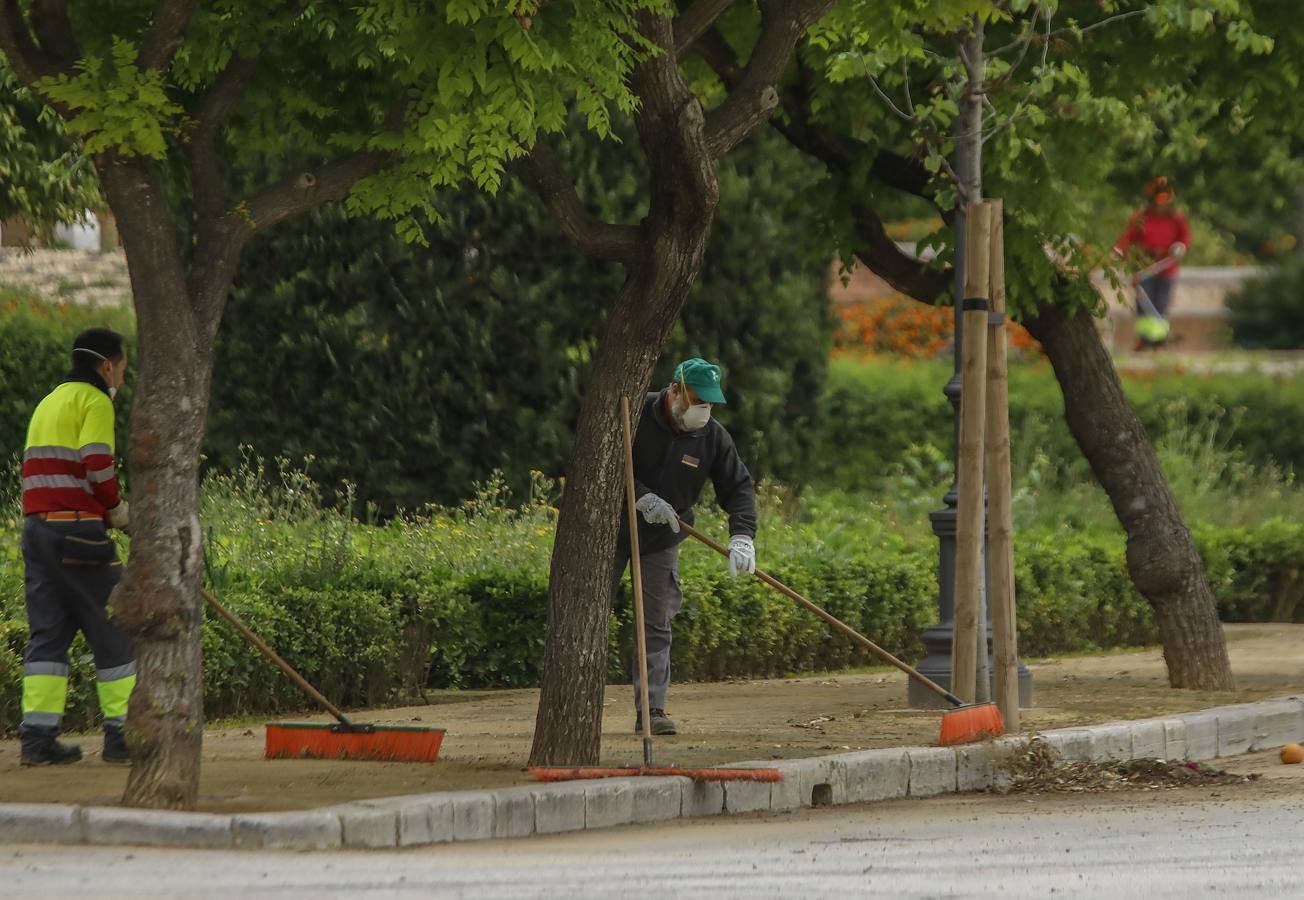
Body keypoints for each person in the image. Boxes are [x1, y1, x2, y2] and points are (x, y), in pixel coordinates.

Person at [618, 357, 758, 735]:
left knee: (656, 622)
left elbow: (739, 487)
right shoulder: (636, 411)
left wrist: (742, 535)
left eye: (709, 405)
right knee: (586, 613)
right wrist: (641, 497)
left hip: (664, 533)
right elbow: (610, 464)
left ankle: (652, 710)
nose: (703, 411)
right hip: (608, 529)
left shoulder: (712, 436)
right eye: (698, 401)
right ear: (675, 391)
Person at [20, 327, 135, 766]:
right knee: (114, 628)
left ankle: (37, 741)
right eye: (122, 370)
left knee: (48, 636)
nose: (121, 380)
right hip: (79, 532)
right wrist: (119, 511)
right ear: (107, 365)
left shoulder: (49, 401)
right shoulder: (95, 401)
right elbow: (97, 464)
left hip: (37, 531)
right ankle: (122, 736)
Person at [1113, 176, 1192, 349]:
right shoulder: (1141, 217)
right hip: (1144, 268)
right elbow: (1127, 237)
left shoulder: (1177, 218)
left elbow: (1185, 237)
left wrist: (1180, 247)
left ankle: (1159, 341)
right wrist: (1119, 251)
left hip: (1166, 267)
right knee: (1143, 303)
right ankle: (1145, 339)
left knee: (1161, 303)